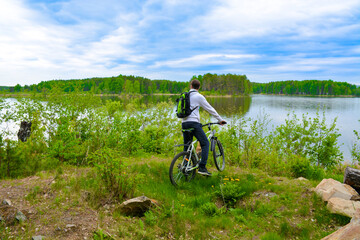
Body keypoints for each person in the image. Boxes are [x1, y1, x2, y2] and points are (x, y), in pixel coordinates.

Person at [182, 79, 226, 176]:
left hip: (184, 124)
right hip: (194, 124)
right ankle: (202, 167)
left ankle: (185, 167)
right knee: (205, 143)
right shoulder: (199, 96)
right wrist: (220, 119)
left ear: (191, 86)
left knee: (187, 147)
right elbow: (210, 109)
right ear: (199, 87)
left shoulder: (185, 95)